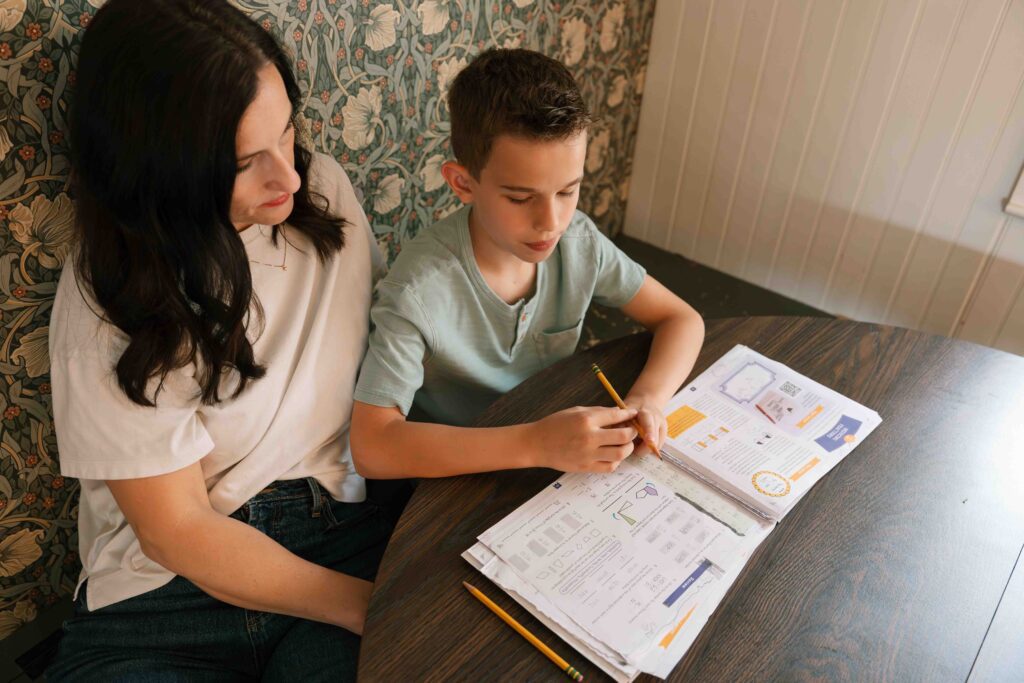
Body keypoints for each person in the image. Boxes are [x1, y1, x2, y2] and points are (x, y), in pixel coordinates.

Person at [46, 1, 395, 680]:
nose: (289, 178)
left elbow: (397, 353)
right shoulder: (108, 291)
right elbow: (176, 528)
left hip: (340, 535)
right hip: (163, 599)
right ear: (163, 167)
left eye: (288, 134)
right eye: (245, 162)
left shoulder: (320, 195)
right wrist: (369, 605)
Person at [350, 48, 705, 477]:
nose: (551, 223)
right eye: (521, 198)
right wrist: (534, 443)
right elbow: (371, 447)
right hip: (458, 472)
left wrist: (648, 398)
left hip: (559, 448)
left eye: (568, 191)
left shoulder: (579, 242)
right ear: (463, 183)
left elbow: (681, 319)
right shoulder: (417, 291)